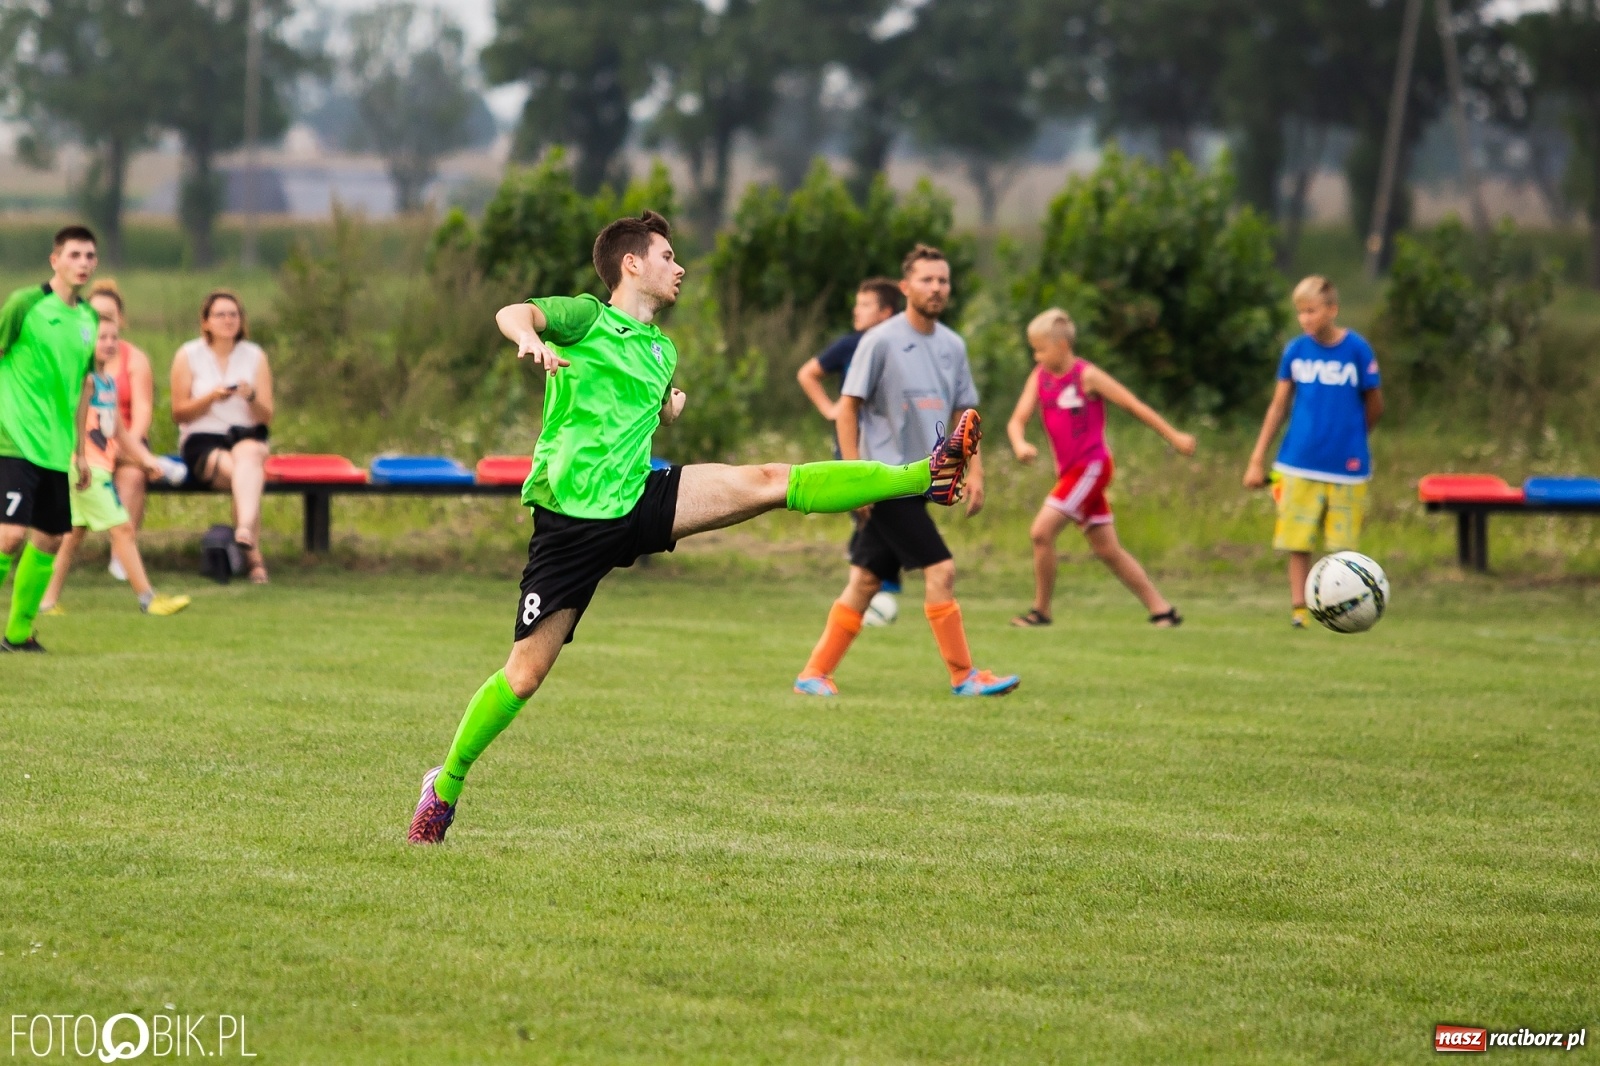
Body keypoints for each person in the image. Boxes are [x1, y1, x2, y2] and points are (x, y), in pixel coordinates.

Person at [408, 211, 982, 844]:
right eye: (667, 255)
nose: (679, 267)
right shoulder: (586, 317)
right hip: (570, 525)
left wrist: (668, 405)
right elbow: (514, 312)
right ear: (632, 263)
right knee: (524, 676)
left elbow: (640, 404)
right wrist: (529, 339)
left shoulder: (662, 349)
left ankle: (924, 475)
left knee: (767, 480)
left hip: (642, 498)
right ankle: (447, 783)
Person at [792, 244, 1019, 700]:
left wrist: (976, 472)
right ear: (906, 286)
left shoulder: (954, 345)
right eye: (927, 279)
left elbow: (965, 413)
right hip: (885, 481)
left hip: (923, 482)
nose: (936, 287)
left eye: (943, 280)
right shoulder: (879, 340)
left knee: (866, 581)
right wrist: (856, 479)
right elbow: (846, 409)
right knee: (942, 569)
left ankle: (812, 674)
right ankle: (963, 676)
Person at [1005, 308, 1196, 628]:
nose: (1036, 357)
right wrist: (1020, 444)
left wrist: (1174, 437)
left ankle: (1041, 611)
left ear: (1062, 346)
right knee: (1108, 549)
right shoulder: (1039, 378)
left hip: (1091, 468)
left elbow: (1134, 406)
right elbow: (1016, 420)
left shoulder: (1087, 376)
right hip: (1069, 474)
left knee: (1041, 532)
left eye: (1041, 349)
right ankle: (1162, 610)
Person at [1243, 276, 1383, 628]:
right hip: (1297, 463)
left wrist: (1353, 436)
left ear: (1332, 310)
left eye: (1312, 311)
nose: (1305, 319)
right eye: (1300, 312)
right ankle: (1299, 610)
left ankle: (1346, 606)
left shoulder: (1357, 350)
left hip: (1346, 467)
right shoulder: (1296, 351)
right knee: (1297, 540)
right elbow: (1278, 407)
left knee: (1343, 547)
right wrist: (1257, 458)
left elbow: (1375, 404)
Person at [39, 313, 191, 618]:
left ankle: (45, 601)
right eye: (101, 337)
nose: (109, 343)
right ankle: (148, 598)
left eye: (113, 337)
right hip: (85, 471)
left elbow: (119, 432)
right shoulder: (82, 381)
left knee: (73, 535)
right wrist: (77, 460)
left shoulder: (107, 383)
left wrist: (147, 460)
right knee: (122, 528)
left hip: (98, 468)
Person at [0, 225, 100, 652]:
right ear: (54, 260)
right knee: (9, 536)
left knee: (49, 538)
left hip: (57, 449)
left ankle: (18, 634)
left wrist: (79, 450)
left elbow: (83, 388)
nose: (83, 263)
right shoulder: (25, 303)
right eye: (74, 255)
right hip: (14, 439)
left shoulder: (89, 319)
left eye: (90, 256)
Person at [796, 277, 904, 623]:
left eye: (865, 305)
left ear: (886, 312)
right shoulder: (852, 344)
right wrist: (832, 410)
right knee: (866, 514)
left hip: (890, 449)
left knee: (883, 518)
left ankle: (874, 590)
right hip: (852, 446)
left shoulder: (901, 345)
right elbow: (808, 374)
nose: (857, 310)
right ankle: (875, 591)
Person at [171, 290, 275, 584]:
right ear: (206, 322)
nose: (228, 320)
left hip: (245, 435)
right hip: (203, 438)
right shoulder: (188, 354)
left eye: (234, 314)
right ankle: (254, 559)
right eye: (220, 314)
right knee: (244, 476)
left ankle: (243, 531)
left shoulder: (255, 356)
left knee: (251, 457)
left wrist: (251, 396)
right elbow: (179, 413)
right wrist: (210, 398)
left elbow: (266, 414)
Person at [86, 280, 171, 581]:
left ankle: (121, 555)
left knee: (133, 475)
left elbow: (142, 410)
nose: (104, 322)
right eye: (96, 316)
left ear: (121, 319)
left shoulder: (135, 359)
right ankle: (50, 579)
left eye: (109, 316)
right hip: (85, 444)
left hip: (126, 440)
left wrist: (129, 448)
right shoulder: (77, 361)